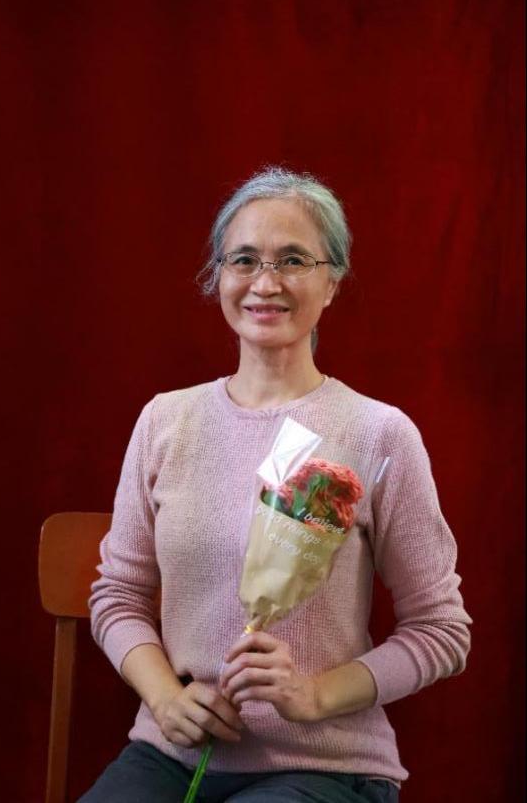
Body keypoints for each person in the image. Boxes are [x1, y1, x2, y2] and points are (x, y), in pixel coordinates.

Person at [79, 167, 472, 803]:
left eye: (293, 260)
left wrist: (313, 695)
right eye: (244, 260)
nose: (266, 283)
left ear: (332, 281)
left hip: (324, 764)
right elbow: (118, 596)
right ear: (218, 277)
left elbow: (441, 630)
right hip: (174, 754)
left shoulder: (379, 434)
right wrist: (165, 698)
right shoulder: (164, 422)